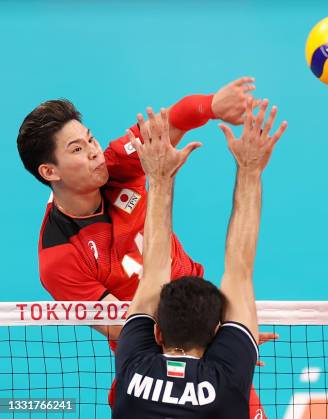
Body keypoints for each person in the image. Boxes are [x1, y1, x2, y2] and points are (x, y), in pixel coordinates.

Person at [16, 78, 275, 416]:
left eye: (90, 138)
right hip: (154, 353)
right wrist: (226, 332)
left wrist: (212, 105)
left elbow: (173, 120)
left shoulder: (115, 163)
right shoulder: (60, 259)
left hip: (200, 326)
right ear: (50, 170)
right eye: (77, 149)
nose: (93, 150)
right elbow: (124, 325)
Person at [112, 99, 286, 418]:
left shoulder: (132, 369)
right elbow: (239, 270)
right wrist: (250, 169)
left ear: (157, 333)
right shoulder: (229, 381)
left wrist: (161, 179)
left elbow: (152, 273)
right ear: (218, 333)